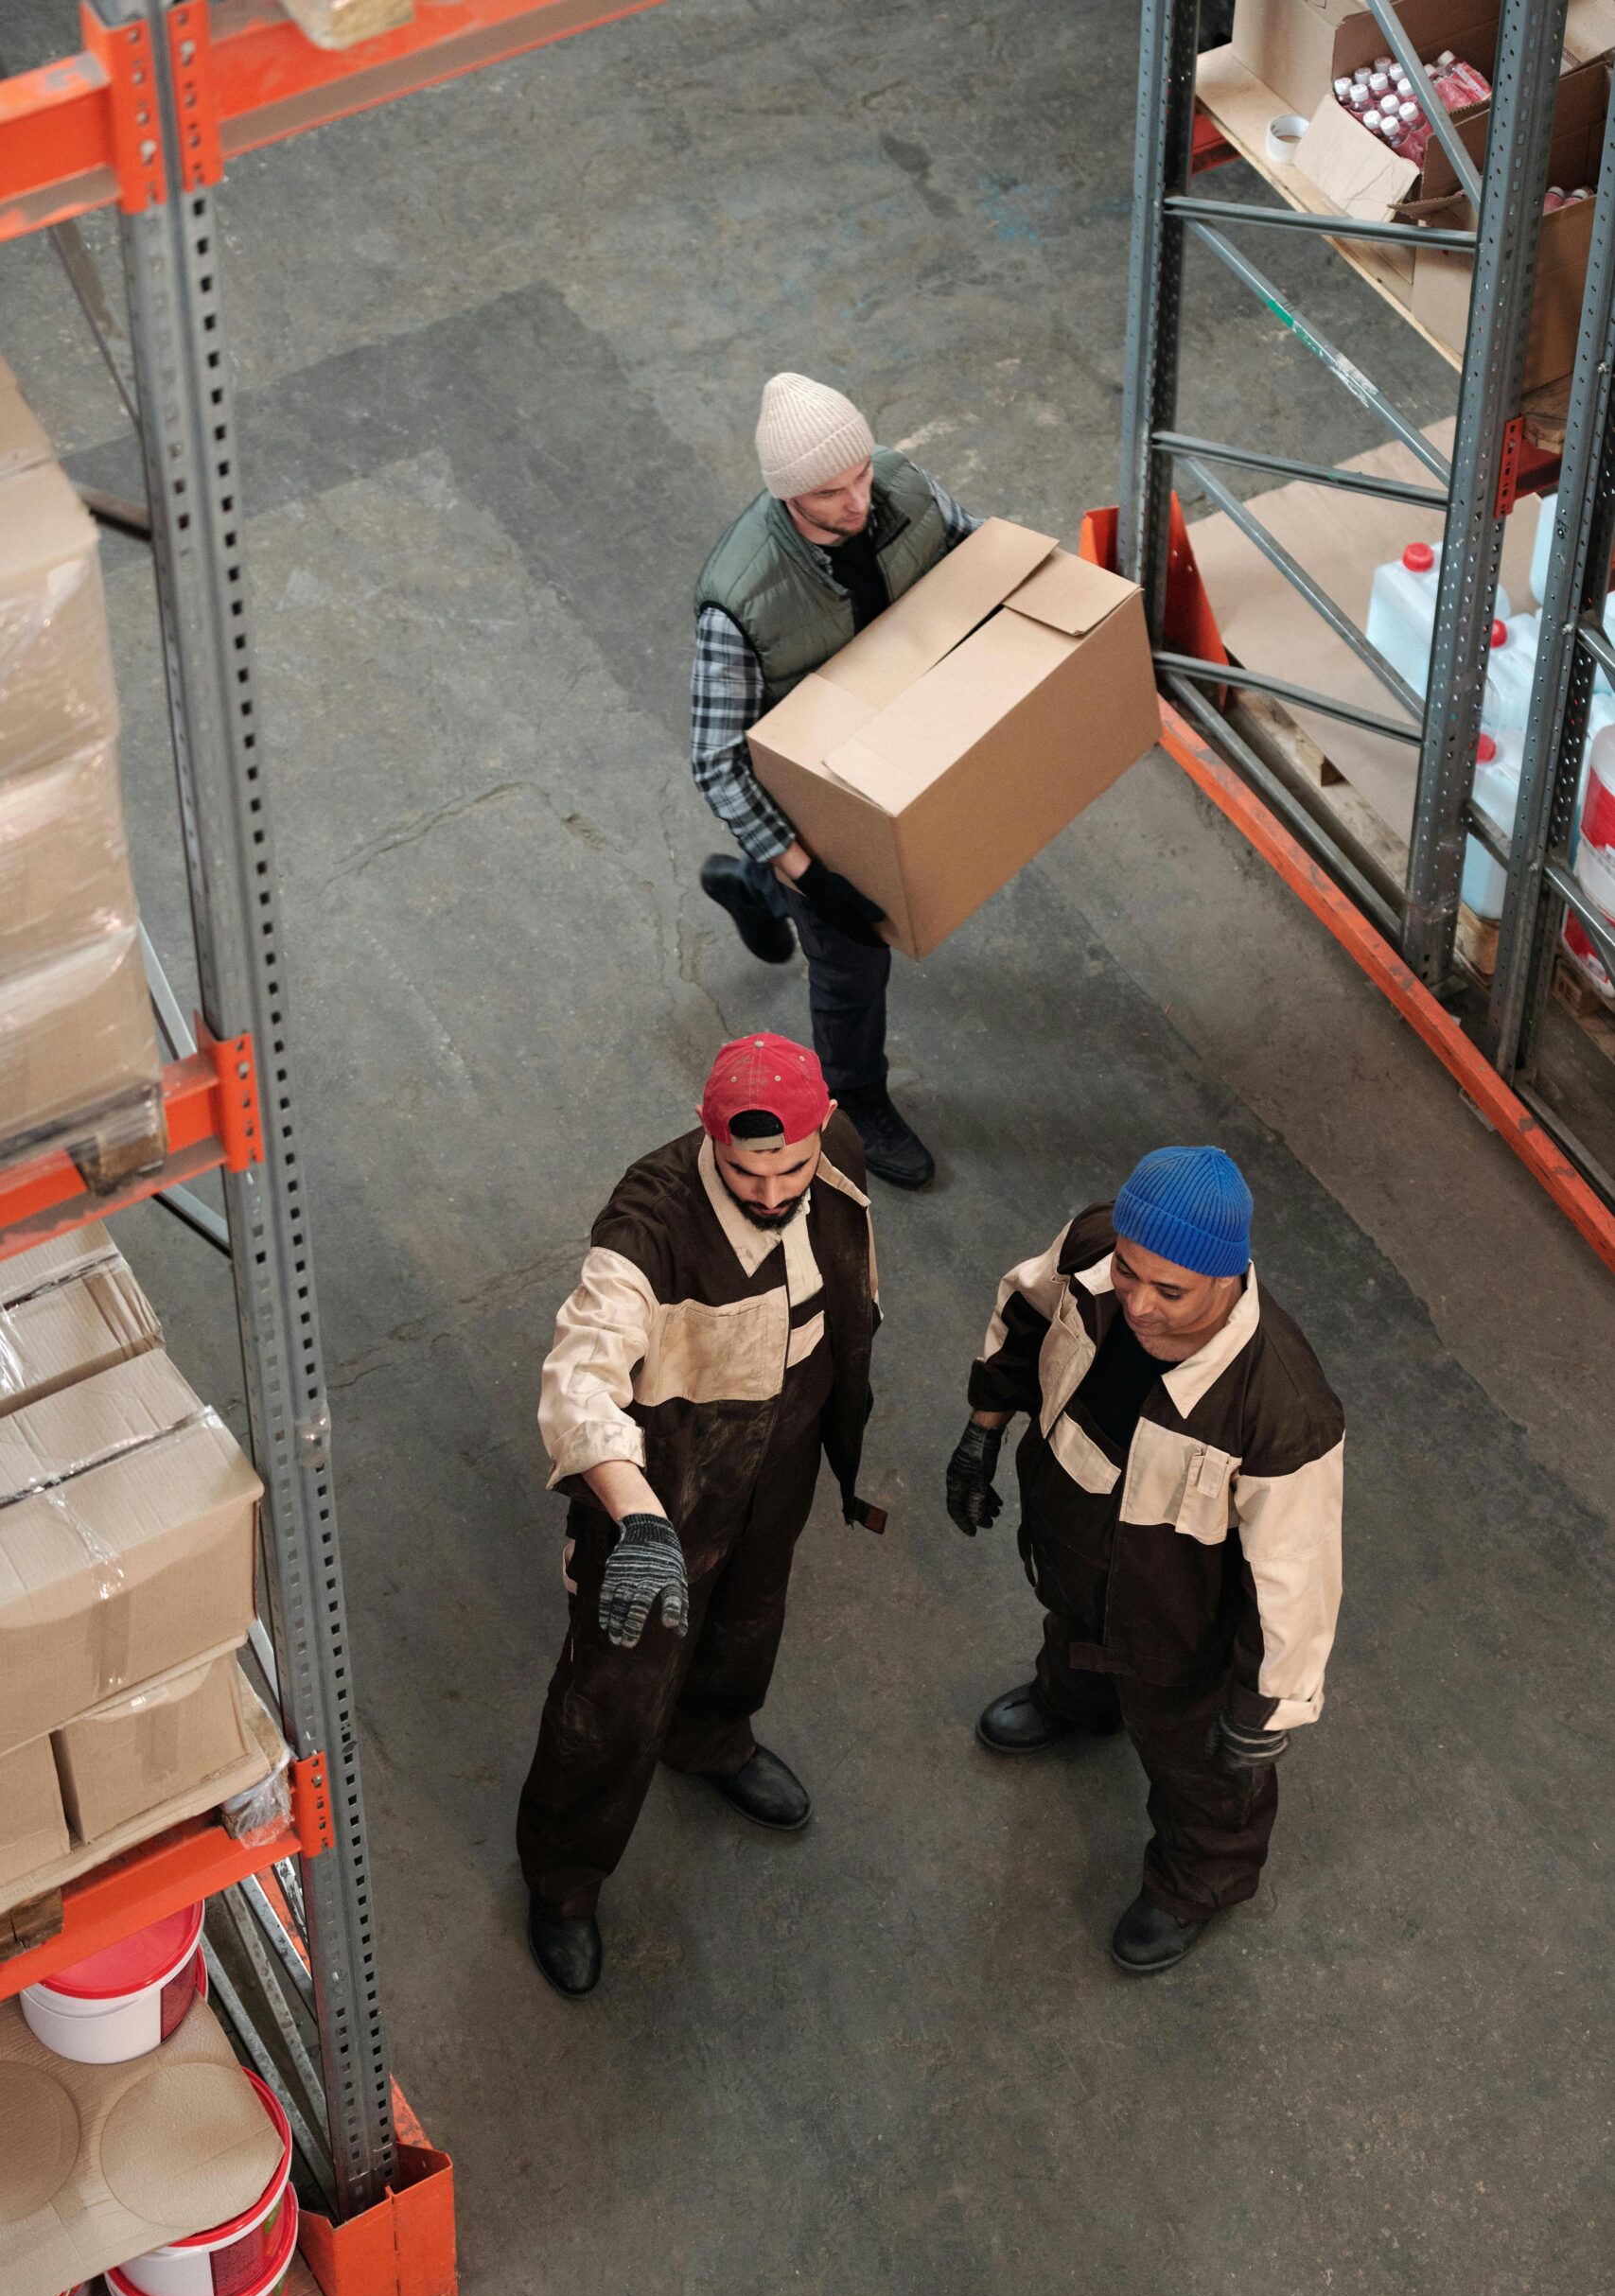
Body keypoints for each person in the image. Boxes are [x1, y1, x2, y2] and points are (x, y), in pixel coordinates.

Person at [517, 1032, 883, 1998]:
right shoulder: (649, 1227)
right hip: (663, 1487)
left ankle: (712, 1737)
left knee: (750, 1614)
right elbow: (578, 1382)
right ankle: (563, 1879)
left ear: (824, 1124)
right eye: (744, 1169)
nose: (771, 1192)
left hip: (783, 1446)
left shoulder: (836, 1159)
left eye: (791, 1166)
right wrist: (636, 1521)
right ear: (705, 1134)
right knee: (614, 1691)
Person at [947, 1147, 1344, 1973]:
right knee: (1075, 1632)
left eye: (1170, 1291)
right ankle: (1075, 1701)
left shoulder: (1280, 1409)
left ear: (1228, 1280)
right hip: (1071, 1547)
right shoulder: (1095, 1245)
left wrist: (1262, 1710)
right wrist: (981, 1433)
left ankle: (1198, 1879)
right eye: (1129, 1274)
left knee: (1198, 1763)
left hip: (1179, 1621)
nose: (1137, 1304)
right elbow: (1024, 1315)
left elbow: (1295, 1580)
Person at [692, 372, 983, 1191]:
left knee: (835, 911)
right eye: (830, 491)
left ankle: (753, 886)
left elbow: (976, 555)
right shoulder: (740, 603)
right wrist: (810, 873)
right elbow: (717, 761)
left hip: (892, 742)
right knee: (851, 959)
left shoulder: (899, 484)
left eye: (860, 474)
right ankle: (854, 1100)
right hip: (815, 795)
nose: (858, 501)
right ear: (786, 495)